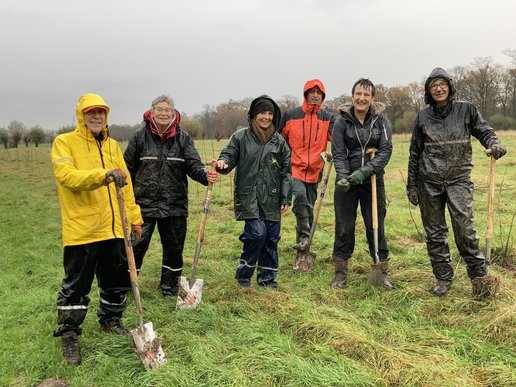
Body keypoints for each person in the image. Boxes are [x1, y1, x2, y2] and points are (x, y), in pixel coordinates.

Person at [51, 93, 143, 365]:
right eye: (91, 112)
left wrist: (134, 219)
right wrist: (103, 176)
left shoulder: (114, 146)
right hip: (83, 229)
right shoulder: (64, 143)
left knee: (115, 280)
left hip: (114, 229)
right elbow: (67, 177)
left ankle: (111, 320)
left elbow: (125, 186)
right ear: (81, 115)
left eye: (101, 112)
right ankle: (69, 334)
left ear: (106, 116)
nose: (96, 117)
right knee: (76, 285)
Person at [407, 67, 507, 299]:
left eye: (442, 84)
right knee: (435, 233)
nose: (438, 89)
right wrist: (412, 185)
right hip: (429, 182)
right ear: (428, 92)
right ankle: (443, 278)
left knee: (465, 230)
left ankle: (479, 279)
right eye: (433, 86)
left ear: (450, 86)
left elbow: (484, 130)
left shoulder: (466, 109)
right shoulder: (423, 116)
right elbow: (414, 152)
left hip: (458, 179)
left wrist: (494, 143)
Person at [124, 95, 217, 297]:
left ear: (174, 113)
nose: (164, 113)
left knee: (174, 248)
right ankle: (128, 286)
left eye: (168, 109)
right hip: (143, 204)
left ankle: (170, 286)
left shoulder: (183, 138)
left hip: (174, 203)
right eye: (160, 109)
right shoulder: (139, 137)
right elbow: (127, 168)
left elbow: (193, 165)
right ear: (152, 112)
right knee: (136, 246)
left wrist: (205, 175)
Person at [216, 95, 292, 288]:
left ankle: (267, 279)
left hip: (272, 197)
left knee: (271, 238)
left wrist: (285, 197)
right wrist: (223, 163)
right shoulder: (240, 137)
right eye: (262, 113)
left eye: (269, 113)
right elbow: (229, 155)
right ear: (253, 115)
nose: (266, 117)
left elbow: (286, 172)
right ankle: (244, 275)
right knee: (257, 234)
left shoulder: (279, 142)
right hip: (248, 196)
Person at [331, 78, 393, 289]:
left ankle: (381, 270)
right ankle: (340, 272)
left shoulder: (381, 121)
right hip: (346, 182)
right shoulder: (341, 122)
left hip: (373, 180)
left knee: (375, 224)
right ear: (352, 96)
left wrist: (364, 172)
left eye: (366, 95)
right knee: (344, 225)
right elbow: (338, 152)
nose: (361, 98)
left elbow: (385, 151)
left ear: (372, 99)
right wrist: (343, 176)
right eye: (358, 94)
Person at [278, 79, 334, 251]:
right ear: (306, 94)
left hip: (315, 171)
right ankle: (304, 237)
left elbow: (338, 139)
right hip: (294, 168)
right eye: (312, 92)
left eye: (319, 93)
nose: (315, 96)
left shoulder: (328, 118)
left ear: (322, 96)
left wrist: (336, 152)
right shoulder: (291, 115)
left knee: (307, 208)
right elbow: (278, 140)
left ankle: (302, 247)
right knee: (301, 197)